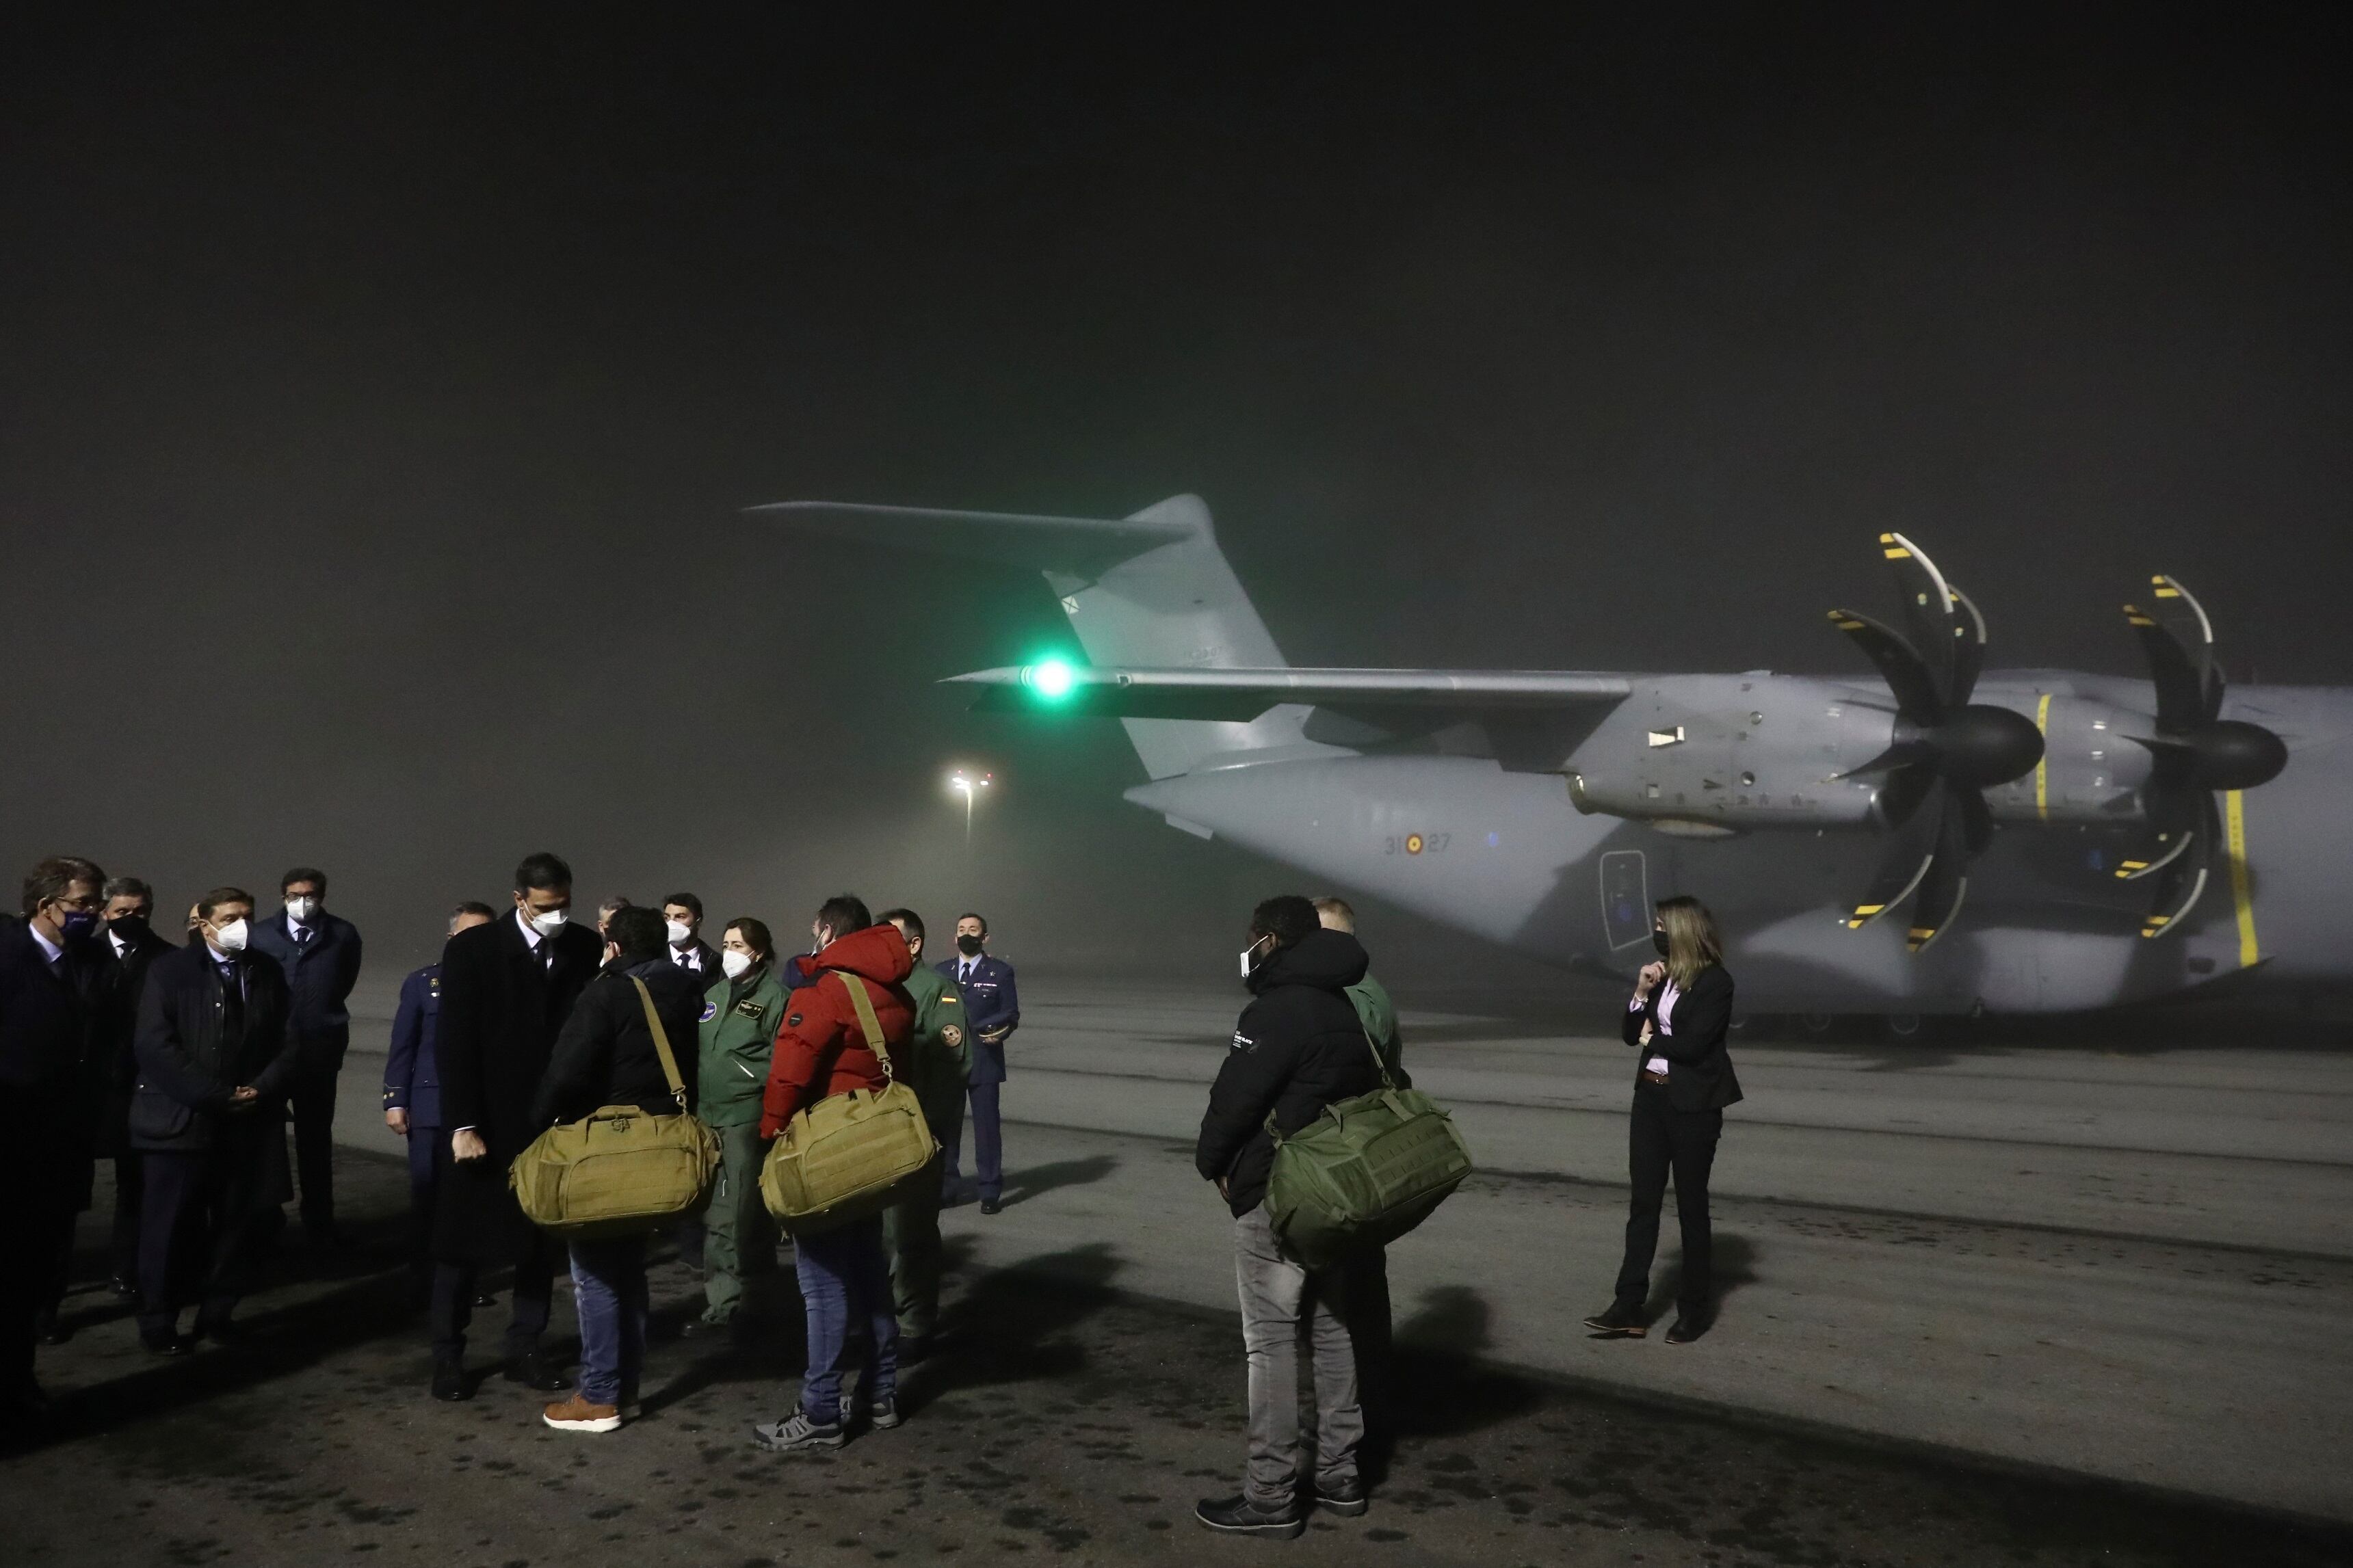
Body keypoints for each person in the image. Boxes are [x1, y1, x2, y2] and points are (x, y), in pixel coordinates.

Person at [1193, 894, 1385, 1538]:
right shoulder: (1343, 1007)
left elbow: (1234, 1100)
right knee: (1332, 1332)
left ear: (1273, 940)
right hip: (1337, 1196)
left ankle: (1271, 1492)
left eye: (1255, 936)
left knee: (1271, 1340)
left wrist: (1213, 1164)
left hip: (1280, 1196)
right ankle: (1340, 1474)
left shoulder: (1275, 1010)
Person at [429, 852, 604, 1402]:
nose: (557, 915)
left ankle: (524, 1347)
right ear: (519, 899)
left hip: (549, 1123)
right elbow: (454, 1043)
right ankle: (448, 1356)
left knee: (537, 1243)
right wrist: (462, 1123)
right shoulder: (472, 951)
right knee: (461, 1247)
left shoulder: (583, 947)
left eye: (565, 905)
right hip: (483, 1120)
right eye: (546, 907)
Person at [532, 905, 705, 1433]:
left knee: (595, 1273)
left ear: (613, 942)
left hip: (608, 1145)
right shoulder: (687, 991)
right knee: (630, 1270)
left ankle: (601, 1394)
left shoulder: (606, 992)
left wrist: (535, 1126)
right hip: (660, 1144)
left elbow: (568, 1069)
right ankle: (625, 1388)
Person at [752, 894, 914, 1453]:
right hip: (870, 1153)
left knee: (821, 1286)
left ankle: (820, 1408)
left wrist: (770, 1132)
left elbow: (791, 1071)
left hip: (826, 1154)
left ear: (826, 931)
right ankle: (880, 1393)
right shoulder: (895, 990)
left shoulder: (826, 990)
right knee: (871, 1277)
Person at [130, 886, 302, 1352]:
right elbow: (154, 1044)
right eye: (229, 916)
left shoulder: (265, 971)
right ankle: (159, 1319)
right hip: (182, 1120)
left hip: (247, 1122)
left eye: (246, 915)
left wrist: (262, 1087)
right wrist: (213, 1094)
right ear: (203, 923)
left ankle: (218, 1312)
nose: (240, 925)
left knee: (238, 1226)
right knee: (168, 1228)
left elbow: (289, 1039)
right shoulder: (169, 970)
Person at [1584, 894, 1741, 1346]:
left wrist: (1653, 1040)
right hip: (1650, 1103)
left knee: (1692, 1208)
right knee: (1643, 1204)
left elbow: (1693, 1047)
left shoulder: (1716, 983)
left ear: (1683, 929)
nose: (1655, 931)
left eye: (1661, 924)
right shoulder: (1660, 976)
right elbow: (1629, 1034)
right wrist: (1640, 991)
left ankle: (1693, 1309)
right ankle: (1627, 1306)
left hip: (1693, 1107)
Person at [0, 856, 113, 1422]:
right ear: (46, 906)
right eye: (84, 904)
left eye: (96, 903)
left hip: (60, 1145)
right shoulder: (6, 957)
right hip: (8, 1142)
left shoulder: (93, 959)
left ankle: (18, 1381)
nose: (95, 914)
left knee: (33, 1277)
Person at [1310, 895, 1402, 1457]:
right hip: (1361, 1157)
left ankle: (1353, 1429)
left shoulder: (1354, 999)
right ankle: (1366, 1406)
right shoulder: (1368, 991)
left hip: (1346, 1159)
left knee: (1346, 1296)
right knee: (1363, 1285)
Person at [384, 903, 496, 1307]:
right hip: (430, 1107)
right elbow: (404, 1044)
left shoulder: (502, 983)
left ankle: (470, 1279)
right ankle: (423, 1275)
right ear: (452, 937)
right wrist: (395, 1099)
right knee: (428, 1195)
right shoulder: (425, 983)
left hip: (482, 1108)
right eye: (468, 933)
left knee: (473, 1198)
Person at [246, 866, 364, 1246]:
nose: (303, 901)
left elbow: (344, 981)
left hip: (319, 1052)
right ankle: (267, 1217)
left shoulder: (343, 934)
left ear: (323, 896)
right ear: (282, 895)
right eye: (295, 894)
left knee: (316, 1138)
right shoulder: (261, 935)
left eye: (310, 894)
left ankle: (319, 1219)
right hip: (272, 1053)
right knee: (266, 1138)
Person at [876, 907, 967, 1361]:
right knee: (879, 1232)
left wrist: (926, 1133)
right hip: (874, 1134)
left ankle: (914, 1323)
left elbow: (953, 1072)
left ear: (915, 944)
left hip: (915, 1135)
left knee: (910, 1233)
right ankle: (881, 1317)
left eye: (892, 939)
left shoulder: (936, 992)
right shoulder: (875, 988)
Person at [692, 916, 786, 1333]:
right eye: (726, 943)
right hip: (708, 1116)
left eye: (738, 945)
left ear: (759, 951)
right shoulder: (713, 994)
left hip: (746, 1118)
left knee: (745, 1215)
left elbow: (782, 1062)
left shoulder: (776, 999)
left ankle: (751, 1303)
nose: (729, 951)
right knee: (715, 1214)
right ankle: (722, 1304)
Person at [99, 876, 174, 1300]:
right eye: (123, 911)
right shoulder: (83, 954)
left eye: (140, 910)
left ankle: (126, 1269)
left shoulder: (166, 958)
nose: (132, 918)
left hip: (139, 1086)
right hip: (89, 1087)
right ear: (106, 912)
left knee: (135, 1186)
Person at [938, 912, 1017, 1214]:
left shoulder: (1000, 972)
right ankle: (947, 1188)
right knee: (947, 1130)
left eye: (973, 930)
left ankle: (990, 1190)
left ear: (985, 938)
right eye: (961, 929)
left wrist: (996, 1030)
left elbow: (1011, 1013)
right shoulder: (942, 972)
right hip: (949, 1063)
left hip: (985, 1060)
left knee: (987, 1130)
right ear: (954, 937)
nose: (966, 934)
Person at [662, 892, 722, 977]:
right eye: (666, 918)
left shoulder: (715, 962)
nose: (671, 923)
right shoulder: (653, 958)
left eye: (680, 917)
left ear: (698, 922)